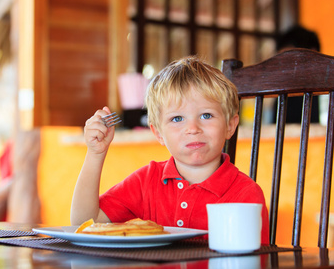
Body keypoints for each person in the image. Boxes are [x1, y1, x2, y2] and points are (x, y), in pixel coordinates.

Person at [71, 56, 270, 244]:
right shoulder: (146, 182)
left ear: (230, 125)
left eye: (207, 115)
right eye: (177, 119)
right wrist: (95, 154)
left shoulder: (246, 195)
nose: (193, 129)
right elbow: (83, 223)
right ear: (158, 133)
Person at [272, 25, 321, 123]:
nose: (284, 68)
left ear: (312, 53)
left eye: (290, 60)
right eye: (281, 62)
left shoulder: (326, 95)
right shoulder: (283, 97)